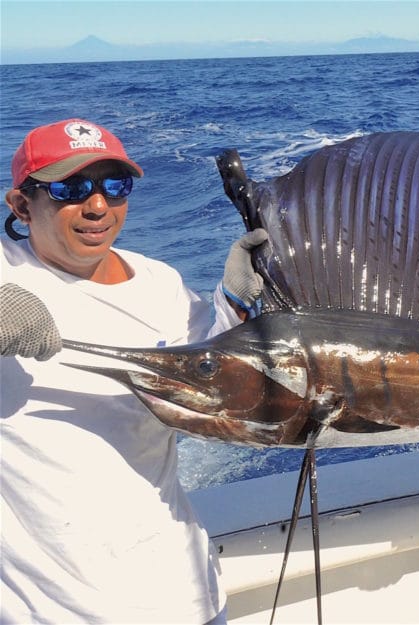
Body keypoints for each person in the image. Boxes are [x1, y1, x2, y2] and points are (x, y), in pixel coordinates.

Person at [0, 118, 268, 624]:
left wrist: (236, 307)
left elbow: (221, 383)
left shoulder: (159, 282)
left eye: (113, 185)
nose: (97, 205)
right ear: (21, 205)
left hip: (185, 596)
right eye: (69, 188)